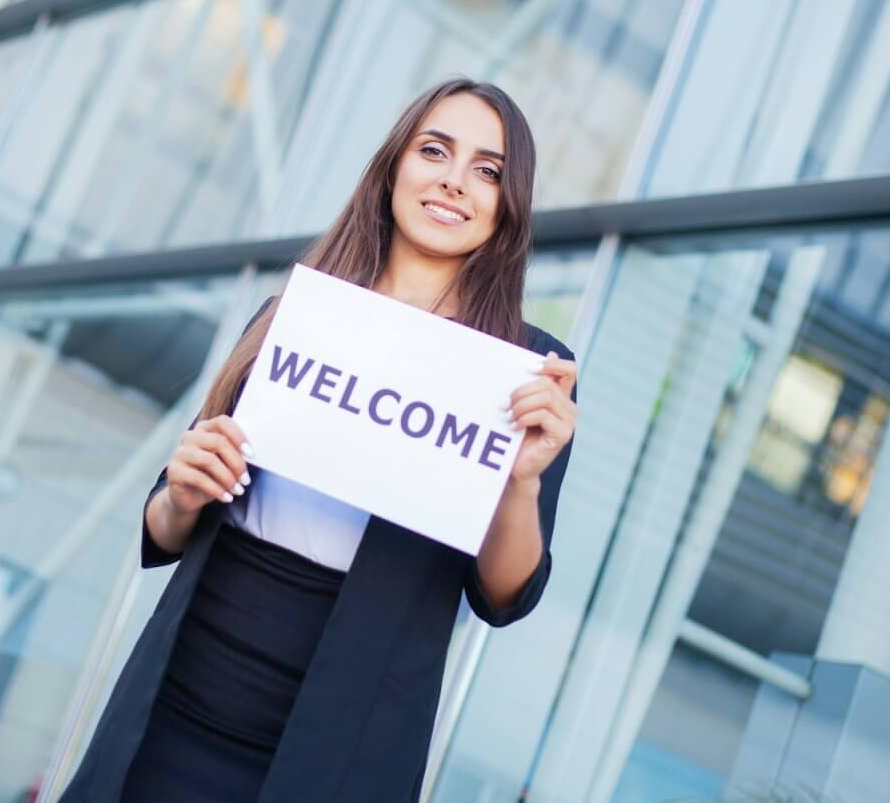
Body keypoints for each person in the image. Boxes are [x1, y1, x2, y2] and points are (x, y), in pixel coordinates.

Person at [61, 78, 580, 802]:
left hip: (341, 751)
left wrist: (519, 481)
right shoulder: (294, 314)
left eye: (488, 170)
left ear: (507, 204)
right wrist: (180, 492)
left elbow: (503, 595)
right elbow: (166, 524)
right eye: (435, 150)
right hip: (174, 710)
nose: (454, 181)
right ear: (395, 165)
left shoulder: (520, 372)